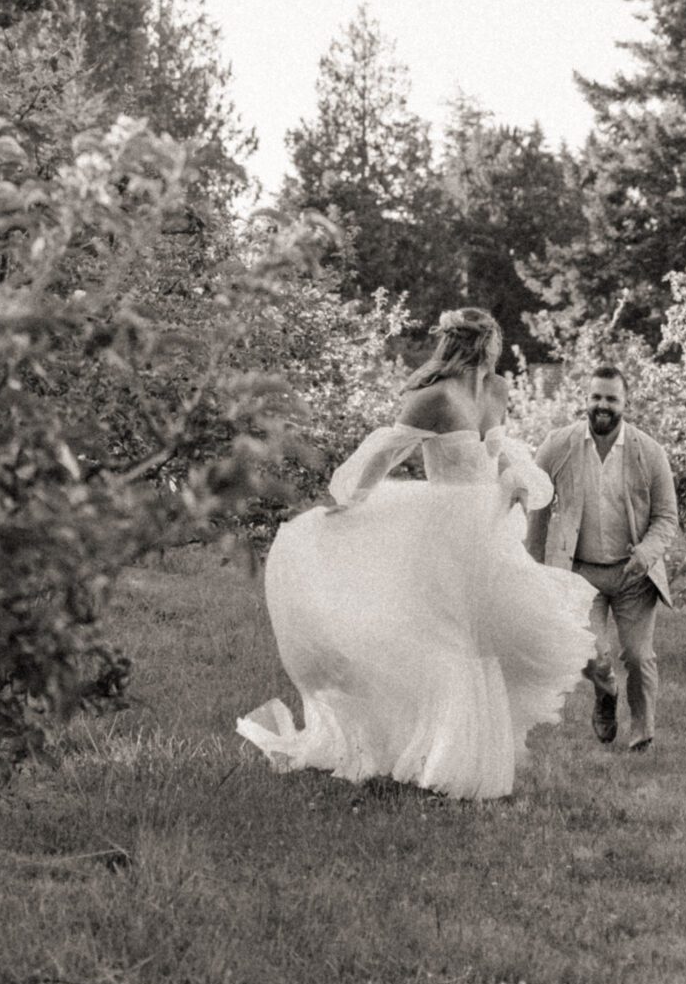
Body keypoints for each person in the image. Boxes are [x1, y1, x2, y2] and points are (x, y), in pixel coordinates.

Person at [236, 307, 595, 800]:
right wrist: (347, 504)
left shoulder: (495, 390)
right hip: (448, 530)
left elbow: (498, 448)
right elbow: (385, 454)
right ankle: (446, 762)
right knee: (450, 639)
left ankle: (465, 763)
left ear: (449, 342)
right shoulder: (434, 398)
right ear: (485, 344)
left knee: (480, 639)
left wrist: (519, 481)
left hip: (483, 526)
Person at [525, 364, 678, 755]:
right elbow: (538, 507)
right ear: (586, 400)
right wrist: (533, 566)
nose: (602, 405)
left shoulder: (649, 452)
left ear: (626, 402)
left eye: (611, 398)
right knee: (591, 656)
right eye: (596, 397)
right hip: (580, 573)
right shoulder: (558, 445)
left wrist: (646, 552)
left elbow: (666, 517)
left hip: (633, 575)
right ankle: (605, 692)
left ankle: (642, 735)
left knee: (639, 655)